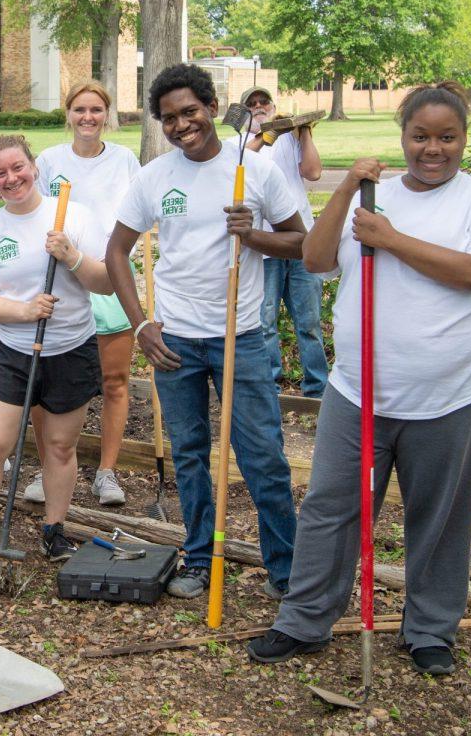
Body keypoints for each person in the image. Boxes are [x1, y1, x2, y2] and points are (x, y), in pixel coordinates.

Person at [248, 83, 471, 676]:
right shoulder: (370, 197)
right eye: (421, 136)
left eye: (447, 137)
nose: (433, 148)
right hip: (359, 391)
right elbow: (316, 258)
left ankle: (429, 630)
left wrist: (390, 239)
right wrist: (345, 189)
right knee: (331, 508)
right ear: (403, 136)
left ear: (463, 139)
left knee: (441, 515)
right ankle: (304, 619)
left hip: (454, 394)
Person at [103, 63, 307, 601]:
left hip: (241, 337)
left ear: (213, 108)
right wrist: (141, 323)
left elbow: (303, 243)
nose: (180, 125)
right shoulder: (154, 177)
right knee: (190, 453)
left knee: (261, 454)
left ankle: (285, 570)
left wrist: (254, 236)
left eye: (189, 112)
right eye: (169, 118)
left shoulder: (256, 171)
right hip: (175, 343)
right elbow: (115, 252)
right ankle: (197, 556)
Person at [0, 135, 114, 575]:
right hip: (12, 352)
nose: (11, 178)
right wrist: (24, 310)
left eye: (18, 167)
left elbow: (106, 281)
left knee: (58, 446)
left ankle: (54, 531)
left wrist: (71, 256)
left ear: (34, 167)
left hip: (71, 349)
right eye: (1, 172)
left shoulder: (72, 216)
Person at [32, 80, 141, 507]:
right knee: (48, 380)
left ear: (107, 114)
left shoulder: (125, 160)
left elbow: (137, 214)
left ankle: (107, 473)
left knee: (114, 380)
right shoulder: (48, 161)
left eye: (96, 110)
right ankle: (48, 470)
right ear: (68, 113)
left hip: (111, 274)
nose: (88, 118)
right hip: (60, 276)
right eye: (80, 109)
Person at [240, 86, 328, 397]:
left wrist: (303, 131)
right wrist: (267, 136)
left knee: (309, 322)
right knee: (264, 322)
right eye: (252, 104)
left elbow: (313, 172)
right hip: (264, 248)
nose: (259, 106)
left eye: (264, 102)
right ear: (243, 112)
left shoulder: (290, 138)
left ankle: (317, 388)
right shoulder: (237, 144)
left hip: (301, 243)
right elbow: (235, 167)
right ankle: (271, 385)